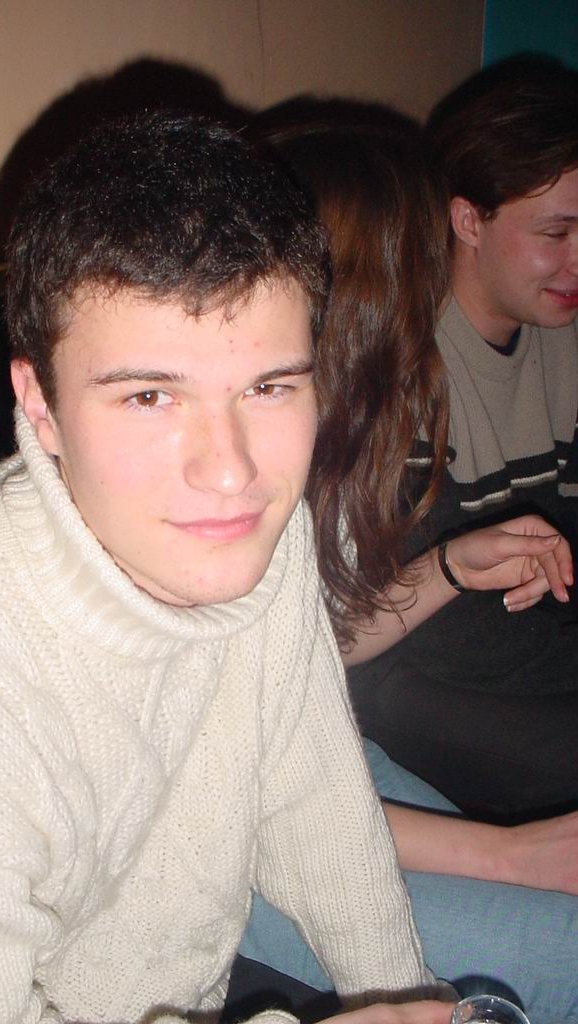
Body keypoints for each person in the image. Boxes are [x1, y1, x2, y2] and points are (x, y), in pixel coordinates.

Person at [0, 112, 569, 1024]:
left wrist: (403, 997)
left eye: (270, 386)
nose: (231, 470)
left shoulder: (258, 531)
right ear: (40, 406)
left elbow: (313, 799)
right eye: (149, 396)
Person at [237, 120, 578, 1024]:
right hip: (220, 844)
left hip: (317, 762)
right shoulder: (224, 487)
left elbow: (324, 648)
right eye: (427, 262)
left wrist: (450, 568)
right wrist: (511, 853)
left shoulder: (336, 435)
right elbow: (237, 804)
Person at [346, 61, 578, 821]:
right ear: (468, 221)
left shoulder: (561, 335)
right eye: (556, 232)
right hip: (416, 672)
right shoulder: (402, 363)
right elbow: (421, 625)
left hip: (535, 648)